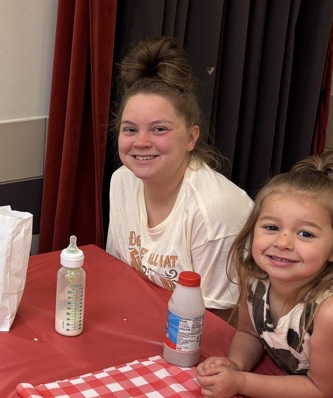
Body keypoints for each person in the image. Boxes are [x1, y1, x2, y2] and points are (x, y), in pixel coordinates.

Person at [196, 151, 333, 398]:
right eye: (271, 227)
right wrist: (235, 364)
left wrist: (241, 382)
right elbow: (250, 334)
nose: (283, 242)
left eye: (305, 234)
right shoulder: (255, 277)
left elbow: (319, 388)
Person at [106, 37, 252, 318]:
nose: (142, 142)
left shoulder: (214, 210)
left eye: (159, 129)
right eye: (130, 129)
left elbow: (221, 323)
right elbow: (120, 274)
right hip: (145, 323)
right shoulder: (122, 181)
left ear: (191, 138)